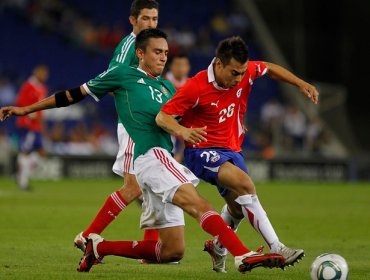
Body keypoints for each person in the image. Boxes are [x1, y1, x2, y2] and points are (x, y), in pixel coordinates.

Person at [0, 28, 285, 274]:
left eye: (165, 52)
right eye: (157, 51)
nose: (163, 57)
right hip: (151, 156)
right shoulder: (123, 75)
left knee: (172, 250)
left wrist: (232, 126)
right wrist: (26, 109)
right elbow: (72, 95)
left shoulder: (166, 87)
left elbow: (187, 118)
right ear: (140, 53)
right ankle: (243, 254)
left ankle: (99, 247)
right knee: (201, 206)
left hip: (158, 161)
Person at [156, 36, 319, 272]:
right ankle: (277, 247)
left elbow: (270, 68)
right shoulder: (196, 86)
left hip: (232, 149)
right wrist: (183, 131)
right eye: (235, 73)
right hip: (202, 151)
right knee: (245, 184)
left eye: (243, 72)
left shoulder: (245, 72)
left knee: (237, 210)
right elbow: (162, 116)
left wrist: (300, 83)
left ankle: (218, 247)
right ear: (219, 64)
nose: (240, 79)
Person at [73, 0, 160, 253]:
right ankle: (87, 236)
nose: (151, 24)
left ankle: (150, 247)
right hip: (135, 124)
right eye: (146, 19)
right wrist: (136, 100)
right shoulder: (129, 48)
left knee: (152, 185)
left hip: (148, 125)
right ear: (133, 20)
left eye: (155, 19)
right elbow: (110, 81)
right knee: (134, 187)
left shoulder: (150, 46)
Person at [13, 64, 49, 191]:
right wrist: (30, 114)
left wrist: (41, 123)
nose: (45, 76)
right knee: (25, 152)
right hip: (28, 124)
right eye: (42, 73)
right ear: (36, 73)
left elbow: (42, 109)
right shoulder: (28, 85)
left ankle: (21, 175)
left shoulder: (42, 88)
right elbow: (20, 102)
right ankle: (22, 181)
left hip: (36, 125)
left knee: (41, 152)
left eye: (46, 74)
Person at [164, 53, 191, 163]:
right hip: (164, 129)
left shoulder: (192, 85)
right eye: (178, 65)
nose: (181, 68)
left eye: (184, 65)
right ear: (171, 66)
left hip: (184, 130)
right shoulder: (162, 82)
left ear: (188, 67)